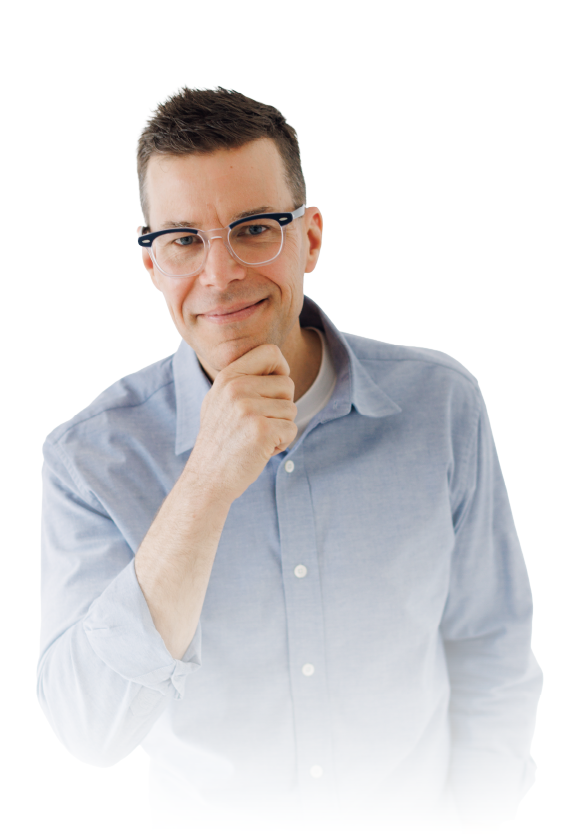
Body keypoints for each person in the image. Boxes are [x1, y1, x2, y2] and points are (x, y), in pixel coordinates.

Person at [37, 85, 543, 834]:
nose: (219, 273)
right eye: (183, 240)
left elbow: (490, 655)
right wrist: (206, 482)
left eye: (253, 229)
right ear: (151, 263)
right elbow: (88, 729)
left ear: (310, 238)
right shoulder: (87, 459)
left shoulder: (441, 406)